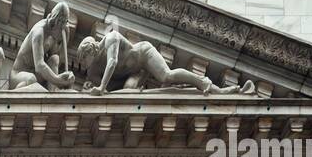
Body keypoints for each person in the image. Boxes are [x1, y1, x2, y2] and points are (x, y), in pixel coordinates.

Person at [77, 27, 257, 95]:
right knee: (128, 93)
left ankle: (204, 83)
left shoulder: (111, 38)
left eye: (84, 60)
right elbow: (93, 86)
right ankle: (186, 91)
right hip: (137, 72)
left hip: (144, 55)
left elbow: (112, 62)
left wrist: (101, 87)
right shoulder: (94, 68)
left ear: (89, 50)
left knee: (166, 76)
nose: (84, 66)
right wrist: (88, 87)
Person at [10, 1, 74, 91]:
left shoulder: (52, 35)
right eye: (60, 31)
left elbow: (59, 61)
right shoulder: (39, 33)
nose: (60, 35)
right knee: (31, 79)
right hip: (19, 75)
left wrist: (66, 37)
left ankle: (53, 96)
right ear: (54, 24)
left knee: (54, 58)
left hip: (37, 75)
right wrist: (58, 80)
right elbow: (39, 66)